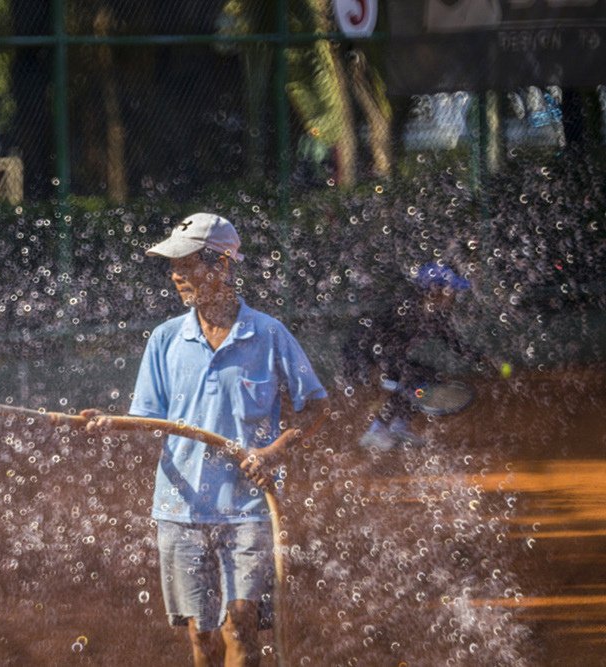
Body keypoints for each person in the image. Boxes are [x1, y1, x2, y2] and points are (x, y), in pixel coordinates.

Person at [84, 213, 330, 666]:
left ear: (221, 266)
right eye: (173, 264)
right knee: (202, 639)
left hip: (248, 510)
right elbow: (149, 420)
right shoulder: (165, 340)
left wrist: (273, 452)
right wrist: (110, 422)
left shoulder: (269, 335)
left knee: (242, 632)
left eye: (188, 263)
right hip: (182, 509)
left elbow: (316, 406)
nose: (176, 274)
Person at [345, 261, 488, 450]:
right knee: (410, 385)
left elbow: (455, 343)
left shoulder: (437, 317)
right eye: (451, 289)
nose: (454, 294)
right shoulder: (405, 311)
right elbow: (373, 342)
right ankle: (374, 432)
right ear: (435, 290)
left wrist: (482, 360)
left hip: (388, 360)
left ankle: (398, 427)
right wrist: (376, 369)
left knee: (425, 383)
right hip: (362, 359)